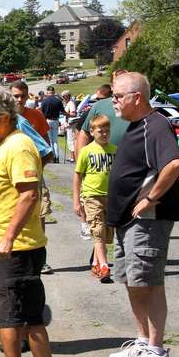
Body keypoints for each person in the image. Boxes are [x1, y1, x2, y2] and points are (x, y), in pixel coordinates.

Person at [0, 85, 66, 357]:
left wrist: (8, 237)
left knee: (28, 318)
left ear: (5, 116)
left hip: (18, 250)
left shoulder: (20, 146)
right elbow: (0, 197)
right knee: (4, 316)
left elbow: (28, 195)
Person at [106, 72, 179, 357]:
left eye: (118, 97)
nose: (114, 102)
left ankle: (156, 351)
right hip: (128, 220)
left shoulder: (157, 124)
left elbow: (174, 164)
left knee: (149, 283)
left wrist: (149, 198)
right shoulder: (137, 125)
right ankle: (142, 341)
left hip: (147, 221)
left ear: (136, 97)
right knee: (134, 282)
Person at [10, 80, 55, 274]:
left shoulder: (34, 116)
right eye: (15, 96)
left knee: (39, 211)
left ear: (28, 96)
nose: (19, 100)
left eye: (23, 96)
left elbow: (46, 147)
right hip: (12, 177)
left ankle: (39, 257)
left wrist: (37, 171)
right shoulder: (7, 118)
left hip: (33, 175)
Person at [72, 114, 116, 283]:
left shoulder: (114, 150)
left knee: (106, 234)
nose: (104, 134)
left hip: (110, 197)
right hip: (91, 196)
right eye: (100, 131)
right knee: (97, 229)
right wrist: (77, 201)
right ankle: (105, 266)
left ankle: (96, 262)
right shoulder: (86, 151)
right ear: (92, 131)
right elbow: (77, 176)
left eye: (107, 131)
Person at [75, 70, 129, 158]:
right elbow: (84, 133)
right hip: (100, 166)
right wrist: (80, 164)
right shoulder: (99, 106)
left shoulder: (138, 107)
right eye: (118, 82)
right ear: (112, 86)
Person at [39, 86, 66, 163]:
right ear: (54, 92)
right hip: (55, 120)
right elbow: (63, 112)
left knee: (50, 140)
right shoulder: (58, 101)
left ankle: (52, 156)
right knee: (55, 141)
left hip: (47, 121)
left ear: (47, 92)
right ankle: (57, 157)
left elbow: (42, 113)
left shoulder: (44, 101)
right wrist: (69, 115)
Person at [62, 90, 77, 163]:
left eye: (64, 96)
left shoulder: (71, 103)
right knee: (69, 140)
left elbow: (74, 114)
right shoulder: (68, 103)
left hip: (71, 124)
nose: (63, 98)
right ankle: (71, 156)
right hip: (68, 124)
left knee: (71, 140)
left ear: (67, 96)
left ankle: (73, 157)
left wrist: (65, 114)